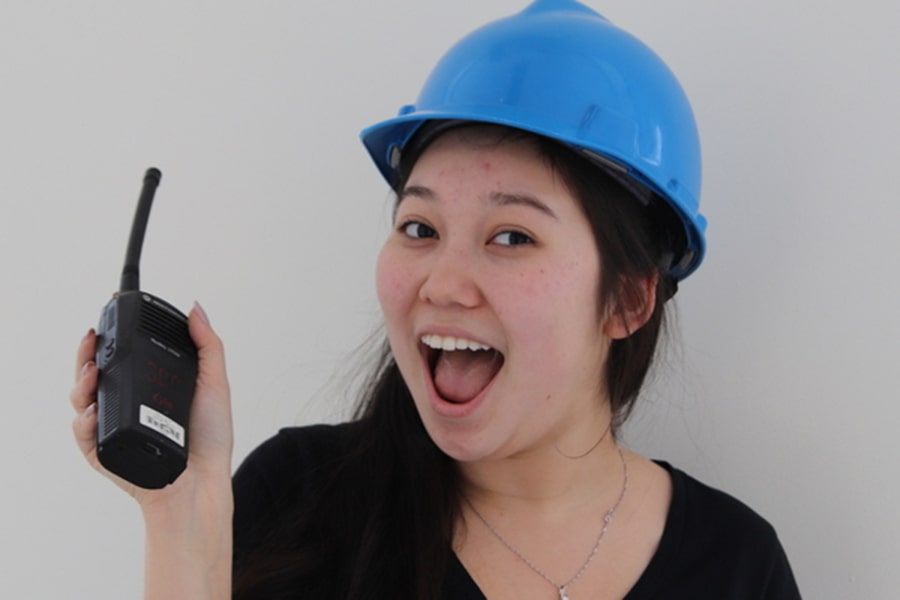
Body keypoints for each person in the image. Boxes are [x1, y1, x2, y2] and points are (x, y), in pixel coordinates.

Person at [70, 1, 801, 598]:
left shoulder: (737, 565)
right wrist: (183, 519)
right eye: (419, 227)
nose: (442, 284)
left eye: (511, 237)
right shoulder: (296, 502)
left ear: (629, 300)